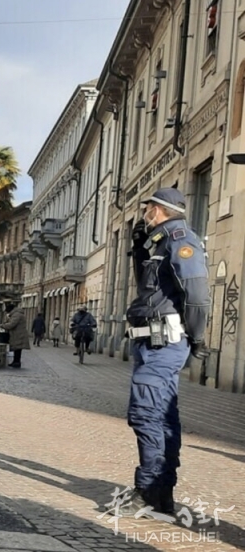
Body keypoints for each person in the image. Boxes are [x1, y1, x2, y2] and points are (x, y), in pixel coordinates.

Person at [115, 188, 210, 516]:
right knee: (163, 417)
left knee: (145, 414)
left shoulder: (181, 238)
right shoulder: (157, 241)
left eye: (147, 208)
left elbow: (196, 292)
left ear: (159, 209)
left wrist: (197, 337)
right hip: (151, 344)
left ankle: (149, 490)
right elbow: (150, 288)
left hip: (164, 344)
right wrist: (138, 248)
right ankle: (162, 492)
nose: (144, 212)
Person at [0, 303, 29, 368]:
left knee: (17, 348)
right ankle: (15, 361)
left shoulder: (16, 315)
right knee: (17, 348)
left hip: (18, 334)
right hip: (17, 334)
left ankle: (17, 362)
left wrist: (3, 326)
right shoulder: (16, 314)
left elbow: (12, 324)